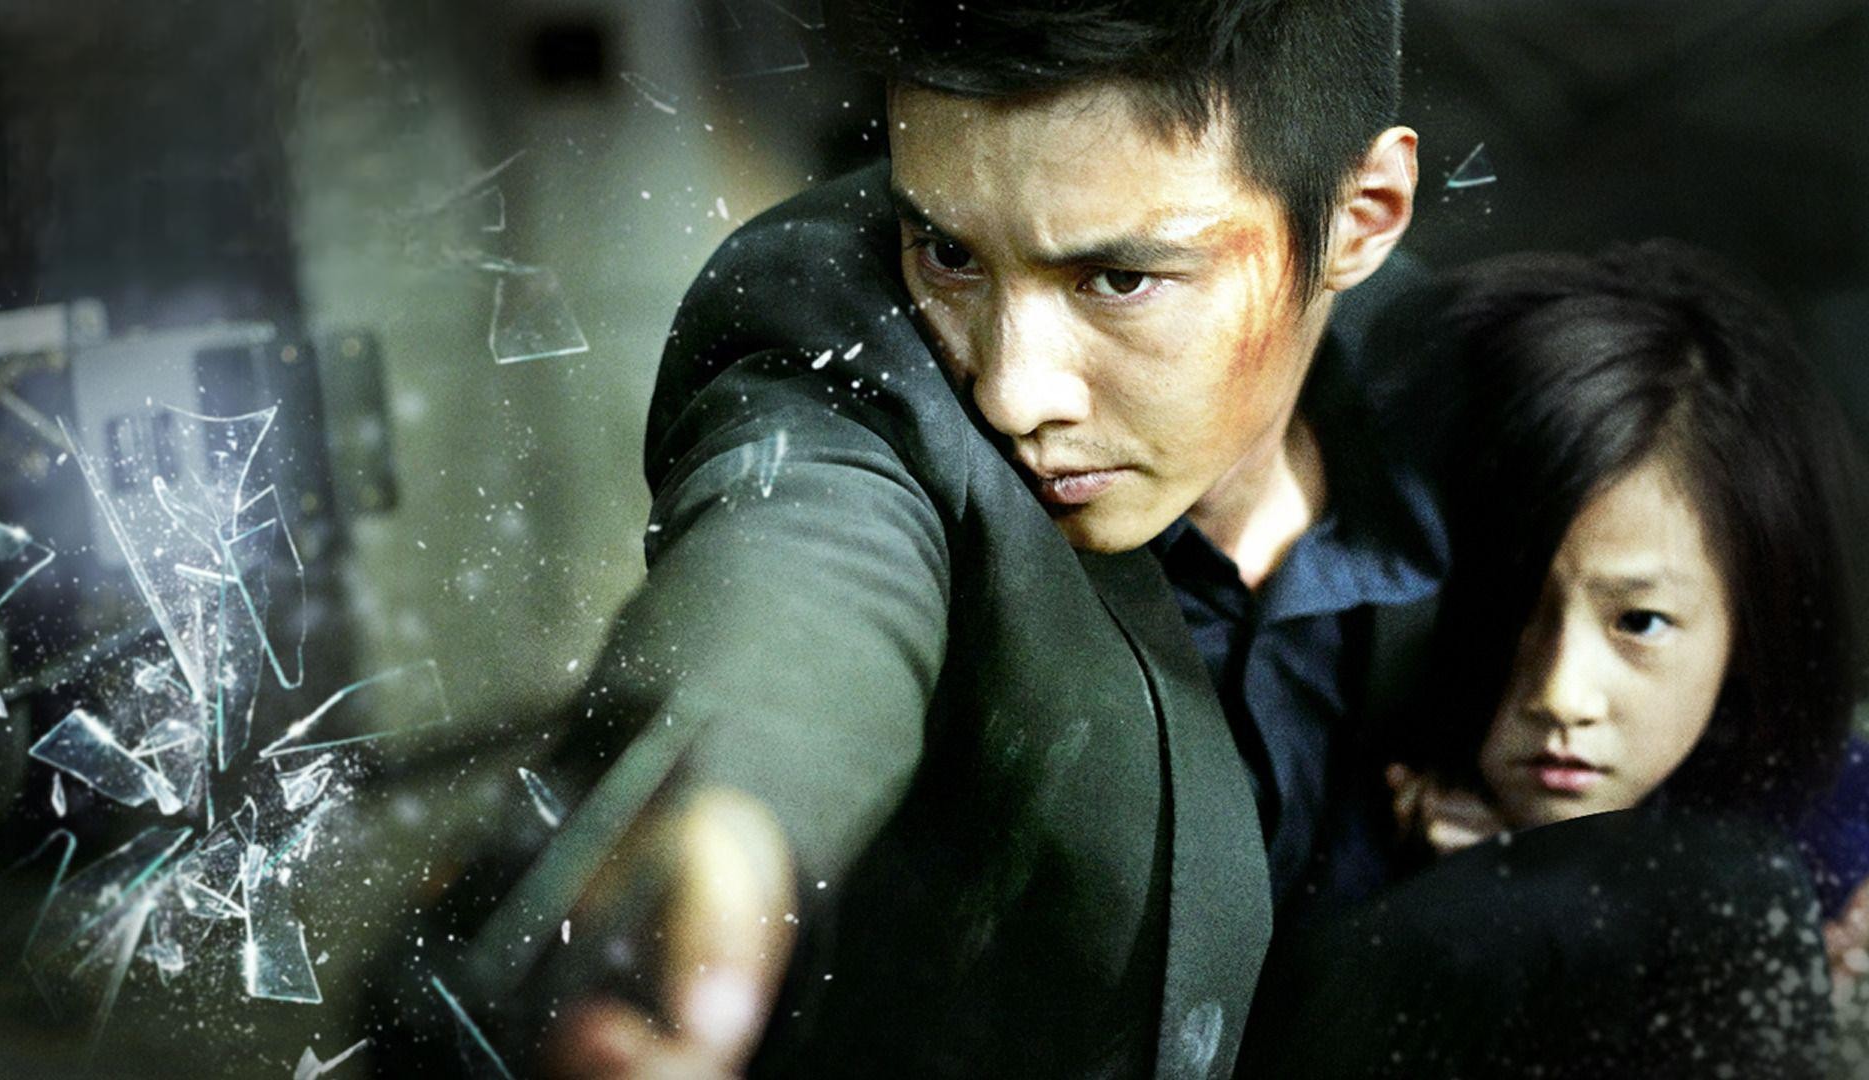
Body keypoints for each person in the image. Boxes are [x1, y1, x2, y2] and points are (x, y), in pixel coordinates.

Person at [385, 1, 1442, 1077]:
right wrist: (728, 816)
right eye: (948, 253)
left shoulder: (1465, 377)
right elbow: (808, 549)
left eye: (1119, 279)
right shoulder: (843, 344)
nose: (1011, 391)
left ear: (1363, 219)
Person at [1237, 240, 1869, 1078]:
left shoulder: (1832, 851)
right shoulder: (1331, 810)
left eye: (1640, 622)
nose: (1563, 695)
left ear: (1747, 630)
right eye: (1508, 612)